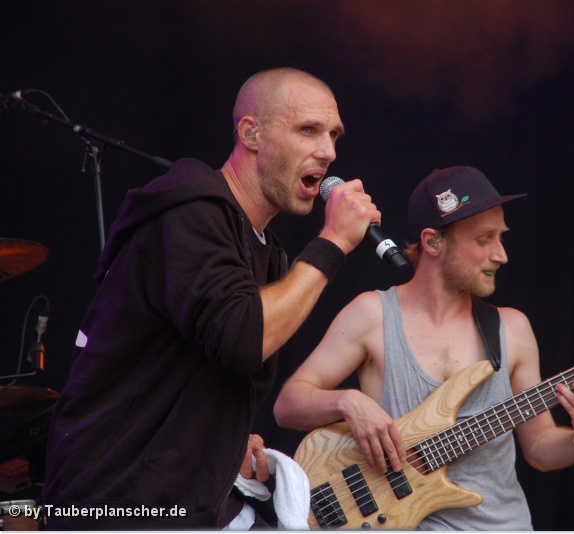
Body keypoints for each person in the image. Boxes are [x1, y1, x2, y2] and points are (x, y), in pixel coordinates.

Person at [42, 67, 380, 529]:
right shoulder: (191, 213)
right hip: (120, 501)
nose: (328, 151)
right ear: (251, 133)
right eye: (308, 130)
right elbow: (244, 339)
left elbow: (210, 367)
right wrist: (334, 241)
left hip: (189, 499)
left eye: (334, 134)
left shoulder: (264, 248)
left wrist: (227, 441)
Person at [273, 166, 574, 530]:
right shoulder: (372, 316)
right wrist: (348, 402)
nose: (501, 255)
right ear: (433, 242)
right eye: (484, 239)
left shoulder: (513, 329)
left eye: (501, 238)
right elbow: (288, 405)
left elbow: (540, 447)